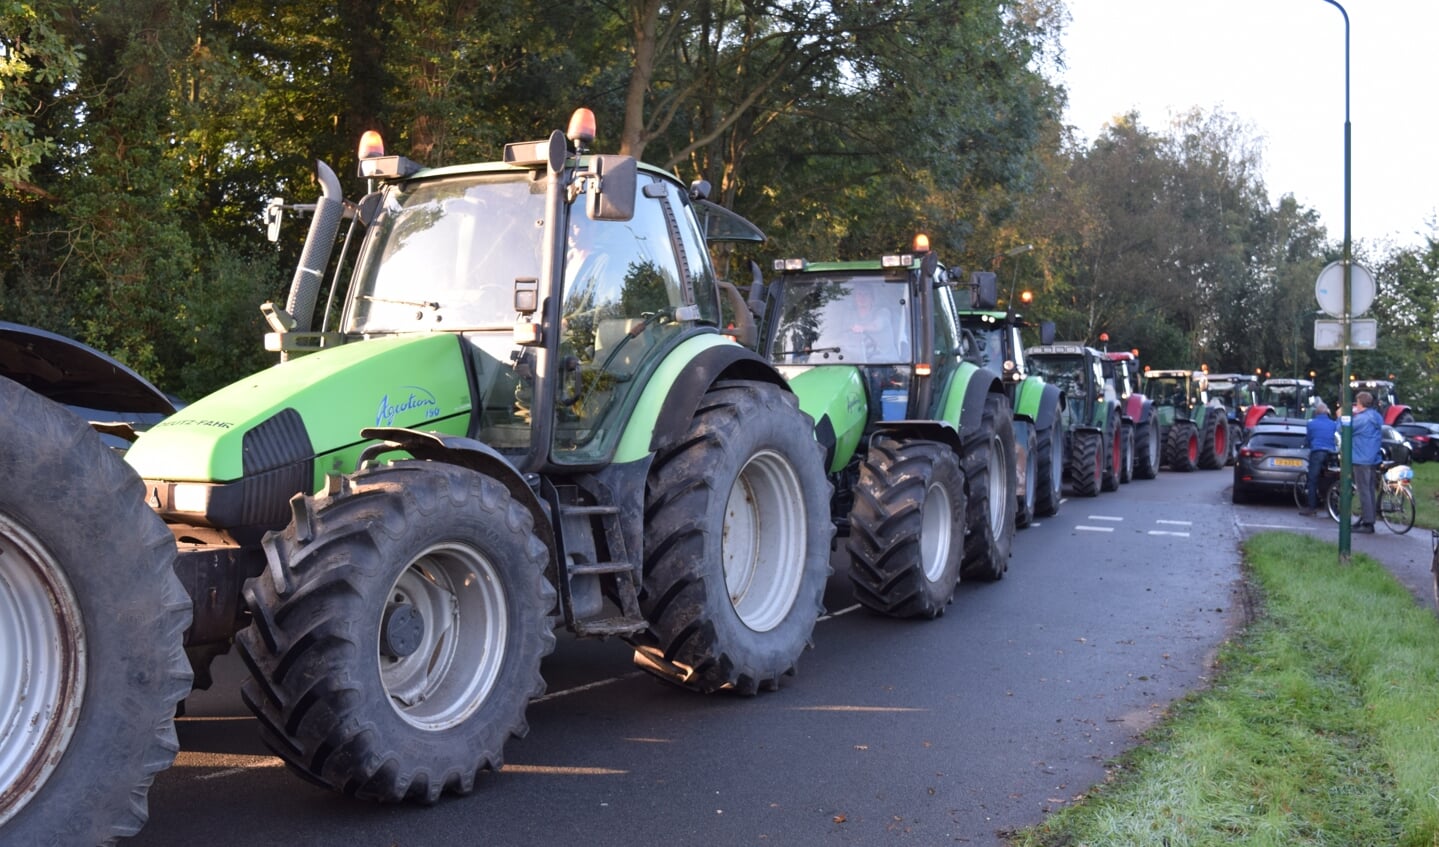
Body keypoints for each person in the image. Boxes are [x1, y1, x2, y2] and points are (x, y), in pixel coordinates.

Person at [1350, 390, 1384, 533]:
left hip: (1361, 458)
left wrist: (1342, 417)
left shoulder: (1361, 419)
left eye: (1357, 403)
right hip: (1372, 458)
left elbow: (1342, 428)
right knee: (1369, 489)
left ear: (1360, 404)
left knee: (1364, 490)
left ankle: (1368, 523)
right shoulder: (1376, 416)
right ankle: (1366, 518)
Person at [1299, 400, 1338, 515]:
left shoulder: (1311, 424)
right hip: (1331, 454)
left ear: (1316, 413)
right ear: (1327, 413)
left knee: (1312, 479)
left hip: (1318, 452)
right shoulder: (1333, 424)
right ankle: (1333, 506)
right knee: (1330, 479)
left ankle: (1312, 507)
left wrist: (1306, 446)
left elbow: (1309, 439)